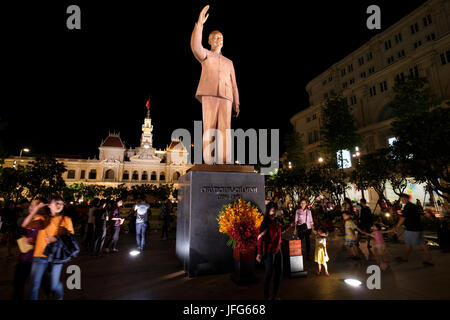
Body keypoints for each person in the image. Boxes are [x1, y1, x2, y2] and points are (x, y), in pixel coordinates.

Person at [191, 5, 240, 164]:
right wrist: (200, 24)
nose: (219, 39)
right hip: (210, 94)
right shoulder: (206, 55)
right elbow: (195, 46)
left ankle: (224, 160)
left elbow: (234, 84)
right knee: (210, 127)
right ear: (210, 40)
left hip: (226, 97)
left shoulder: (229, 62)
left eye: (222, 38)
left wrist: (237, 102)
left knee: (225, 129)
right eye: (216, 37)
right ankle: (209, 159)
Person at [28, 195, 74, 300]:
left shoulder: (66, 219)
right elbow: (27, 224)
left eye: (61, 203)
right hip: (40, 255)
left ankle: (59, 294)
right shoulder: (44, 218)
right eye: (56, 203)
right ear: (49, 205)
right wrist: (35, 210)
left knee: (53, 285)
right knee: (34, 285)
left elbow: (70, 238)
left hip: (56, 256)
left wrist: (56, 238)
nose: (59, 205)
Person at [256, 202, 293, 300]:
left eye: (275, 210)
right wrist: (259, 253)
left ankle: (274, 295)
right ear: (268, 211)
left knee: (279, 273)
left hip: (278, 251)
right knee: (269, 274)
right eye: (272, 210)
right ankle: (266, 297)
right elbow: (260, 238)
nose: (274, 211)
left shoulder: (277, 221)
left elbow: (282, 230)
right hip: (268, 252)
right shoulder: (265, 223)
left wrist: (290, 225)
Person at [12, 199, 47, 300]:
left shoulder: (42, 221)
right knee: (18, 283)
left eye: (33, 205)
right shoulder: (31, 219)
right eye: (30, 205)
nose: (30, 207)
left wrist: (34, 240)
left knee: (33, 285)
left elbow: (45, 240)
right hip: (25, 257)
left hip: (35, 259)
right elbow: (24, 226)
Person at [394, 193, 433, 266]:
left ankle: (404, 258)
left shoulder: (407, 207)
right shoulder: (414, 206)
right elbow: (420, 214)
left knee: (409, 244)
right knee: (423, 244)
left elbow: (403, 218)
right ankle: (430, 260)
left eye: (402, 199)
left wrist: (397, 226)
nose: (402, 200)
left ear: (406, 199)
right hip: (418, 228)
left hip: (411, 229)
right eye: (401, 199)